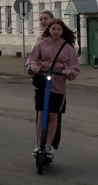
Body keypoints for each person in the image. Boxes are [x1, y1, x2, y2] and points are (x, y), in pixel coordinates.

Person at [26, 18, 80, 159]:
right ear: (49, 30)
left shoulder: (67, 48)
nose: (56, 31)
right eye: (53, 29)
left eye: (59, 29)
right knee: (41, 114)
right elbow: (32, 60)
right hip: (42, 83)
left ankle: (48, 146)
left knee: (53, 115)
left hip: (58, 85)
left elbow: (74, 67)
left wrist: (68, 71)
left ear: (62, 31)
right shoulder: (41, 44)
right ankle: (39, 144)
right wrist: (33, 67)